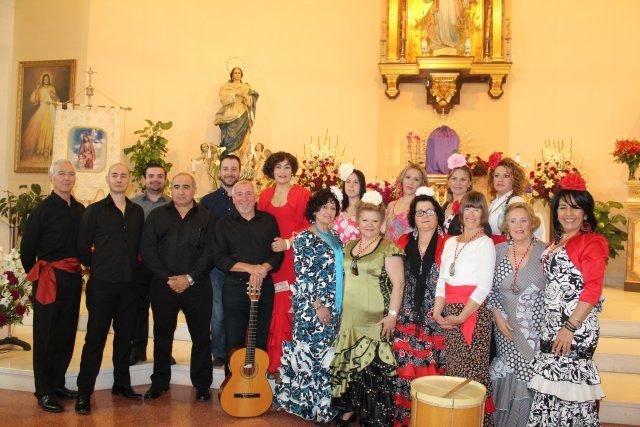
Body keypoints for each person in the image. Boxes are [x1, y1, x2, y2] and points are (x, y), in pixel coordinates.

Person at [528, 174, 608, 426]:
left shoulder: (592, 242)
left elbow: (592, 290)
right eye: (563, 207)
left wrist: (570, 327)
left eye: (575, 207)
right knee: (550, 394)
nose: (568, 213)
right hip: (552, 326)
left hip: (574, 327)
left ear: (586, 212)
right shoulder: (556, 242)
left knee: (569, 398)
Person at [330, 191, 405, 427]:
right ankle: (349, 410)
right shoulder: (350, 245)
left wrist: (392, 316)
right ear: (357, 222)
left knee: (372, 371)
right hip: (349, 319)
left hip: (375, 320)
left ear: (382, 224)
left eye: (375, 221)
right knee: (350, 366)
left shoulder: (388, 248)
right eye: (365, 220)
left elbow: (399, 284)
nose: (369, 225)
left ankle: (374, 417)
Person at [75, 163, 145, 414]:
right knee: (95, 339)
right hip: (102, 285)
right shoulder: (94, 211)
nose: (119, 179)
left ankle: (121, 384)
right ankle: (84, 392)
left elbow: (140, 247)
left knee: (124, 339)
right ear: (107, 179)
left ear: (129, 180)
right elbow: (82, 248)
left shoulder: (137, 211)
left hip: (129, 286)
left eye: (123, 175)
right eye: (114, 175)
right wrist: (100, 266)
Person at [140, 173, 217, 402]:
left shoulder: (208, 217)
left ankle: (202, 384)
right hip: (164, 286)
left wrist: (189, 278)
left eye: (186, 187)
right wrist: (169, 278)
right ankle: (160, 382)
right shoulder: (157, 216)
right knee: (162, 335)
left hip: (198, 286)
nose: (181, 191)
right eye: (176, 187)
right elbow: (148, 250)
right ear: (170, 189)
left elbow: (211, 252)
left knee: (201, 336)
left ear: (194, 189)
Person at [20, 159, 85, 413]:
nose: (67, 178)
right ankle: (44, 390)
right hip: (48, 279)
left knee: (66, 334)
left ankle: (57, 383)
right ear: (52, 178)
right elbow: (27, 250)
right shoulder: (42, 210)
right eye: (61, 173)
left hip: (72, 278)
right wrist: (38, 275)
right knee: (46, 335)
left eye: (71, 174)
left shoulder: (80, 209)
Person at [275, 188, 343, 424]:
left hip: (334, 306)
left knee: (325, 356)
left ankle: (321, 405)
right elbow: (304, 276)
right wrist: (318, 306)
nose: (329, 211)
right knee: (311, 357)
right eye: (324, 206)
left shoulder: (336, 237)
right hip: (313, 309)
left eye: (333, 207)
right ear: (314, 210)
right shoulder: (305, 237)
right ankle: (309, 408)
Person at [433, 190, 496, 427]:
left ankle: (476, 421)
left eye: (476, 208)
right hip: (450, 311)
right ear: (461, 212)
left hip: (473, 314)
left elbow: (484, 286)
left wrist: (461, 316)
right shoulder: (450, 242)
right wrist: (438, 312)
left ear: (483, 214)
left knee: (473, 375)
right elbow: (442, 280)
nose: (471, 213)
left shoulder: (485, 243)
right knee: (454, 370)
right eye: (467, 208)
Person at [393, 187, 447, 427]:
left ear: (438, 215)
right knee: (406, 371)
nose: (424, 216)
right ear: (412, 218)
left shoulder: (449, 243)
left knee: (432, 372)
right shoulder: (403, 241)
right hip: (406, 316)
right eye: (419, 212)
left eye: (429, 211)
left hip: (435, 316)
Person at [487, 203, 546, 427]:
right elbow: (489, 289)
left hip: (534, 332)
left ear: (532, 223)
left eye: (523, 220)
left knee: (528, 379)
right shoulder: (498, 251)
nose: (518, 225)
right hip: (504, 328)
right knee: (509, 377)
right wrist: (497, 316)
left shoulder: (545, 251)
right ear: (506, 226)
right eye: (513, 221)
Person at [214, 180, 284, 364]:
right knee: (234, 341)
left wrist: (263, 269)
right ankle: (232, 385)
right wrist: (251, 268)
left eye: (248, 194)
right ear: (233, 198)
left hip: (264, 288)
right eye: (239, 194)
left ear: (255, 197)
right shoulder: (223, 224)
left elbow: (277, 255)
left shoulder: (269, 221)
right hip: (234, 290)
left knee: (260, 338)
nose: (244, 198)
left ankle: (256, 383)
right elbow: (220, 258)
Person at [257, 151, 311, 376]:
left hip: (293, 260)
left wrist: (288, 243)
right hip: (270, 261)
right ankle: (269, 359)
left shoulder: (303, 194)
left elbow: (311, 228)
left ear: (293, 170)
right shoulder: (264, 195)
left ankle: (285, 364)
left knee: (287, 309)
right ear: (271, 170)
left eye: (287, 167)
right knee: (271, 309)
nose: (282, 171)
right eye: (278, 167)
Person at [199, 154, 241, 368]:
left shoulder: (247, 198)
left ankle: (237, 351)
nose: (229, 173)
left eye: (234, 169)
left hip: (242, 266)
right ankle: (218, 353)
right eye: (226, 169)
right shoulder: (207, 202)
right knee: (218, 311)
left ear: (240, 172)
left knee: (238, 310)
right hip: (216, 266)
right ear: (219, 172)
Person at [129, 161, 171, 366]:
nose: (155, 179)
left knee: (164, 310)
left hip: (164, 267)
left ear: (165, 179)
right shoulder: (133, 204)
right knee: (139, 309)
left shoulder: (172, 205)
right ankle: (138, 349)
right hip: (139, 265)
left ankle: (163, 352)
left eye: (160, 176)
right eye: (151, 176)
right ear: (144, 180)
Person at [213, 67, 259, 164]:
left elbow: (251, 102)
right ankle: (227, 160)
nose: (237, 74)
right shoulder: (226, 86)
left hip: (242, 115)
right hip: (230, 113)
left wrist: (247, 97)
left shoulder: (246, 87)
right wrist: (235, 93)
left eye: (239, 73)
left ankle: (239, 161)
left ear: (241, 75)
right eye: (235, 73)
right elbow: (223, 99)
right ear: (232, 75)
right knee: (227, 138)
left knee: (241, 138)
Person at [385, 164, 428, 243]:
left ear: (421, 184)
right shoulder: (391, 205)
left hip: (412, 253)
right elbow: (387, 237)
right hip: (391, 252)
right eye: (408, 177)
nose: (411, 182)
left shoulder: (421, 207)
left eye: (416, 179)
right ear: (402, 179)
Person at [487, 154, 527, 239]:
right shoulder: (495, 201)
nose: (500, 180)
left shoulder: (516, 201)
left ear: (515, 180)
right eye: (496, 176)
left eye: (506, 176)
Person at [22, 73, 58, 159]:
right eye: (44, 79)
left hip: (50, 110)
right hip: (42, 110)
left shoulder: (52, 88)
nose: (46, 81)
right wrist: (37, 88)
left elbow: (56, 99)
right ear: (43, 80)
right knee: (41, 129)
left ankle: (47, 149)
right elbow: (36, 101)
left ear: (49, 80)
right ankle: (40, 148)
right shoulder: (40, 89)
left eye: (47, 79)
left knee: (49, 129)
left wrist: (53, 98)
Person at [442, 153, 474, 235]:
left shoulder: (472, 207)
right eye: (454, 179)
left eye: (463, 179)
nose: (458, 183)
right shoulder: (446, 206)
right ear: (448, 182)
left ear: (469, 183)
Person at [333, 166, 366, 244]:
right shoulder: (336, 208)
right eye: (348, 181)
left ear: (361, 186)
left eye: (356, 182)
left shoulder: (367, 210)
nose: (351, 186)